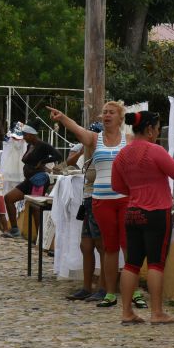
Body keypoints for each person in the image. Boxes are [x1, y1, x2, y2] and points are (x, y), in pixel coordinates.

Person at [47, 102, 137, 308]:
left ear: (120, 117)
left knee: (125, 245)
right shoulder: (95, 139)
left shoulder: (130, 140)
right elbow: (78, 130)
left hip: (124, 200)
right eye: (104, 112)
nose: (106, 115)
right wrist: (61, 117)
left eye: (111, 112)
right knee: (104, 245)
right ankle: (109, 292)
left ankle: (131, 290)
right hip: (99, 200)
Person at [111, 111, 174, 325]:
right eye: (156, 128)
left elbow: (117, 186)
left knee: (132, 263)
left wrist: (136, 189)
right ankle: (157, 313)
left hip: (132, 212)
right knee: (156, 263)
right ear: (149, 129)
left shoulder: (123, 154)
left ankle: (126, 312)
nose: (156, 132)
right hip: (156, 211)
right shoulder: (155, 150)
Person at [64, 122, 109, 303]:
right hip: (88, 199)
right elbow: (69, 162)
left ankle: (103, 287)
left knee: (101, 246)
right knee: (86, 246)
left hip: (98, 199)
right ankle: (86, 286)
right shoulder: (87, 149)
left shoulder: (103, 150)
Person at [2, 125, 62, 241]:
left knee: (36, 208)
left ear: (31, 135)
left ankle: (41, 238)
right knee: (9, 198)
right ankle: (15, 229)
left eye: (25, 135)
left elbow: (58, 155)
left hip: (39, 180)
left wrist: (43, 161)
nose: (24, 138)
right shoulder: (30, 145)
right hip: (29, 180)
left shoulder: (43, 145)